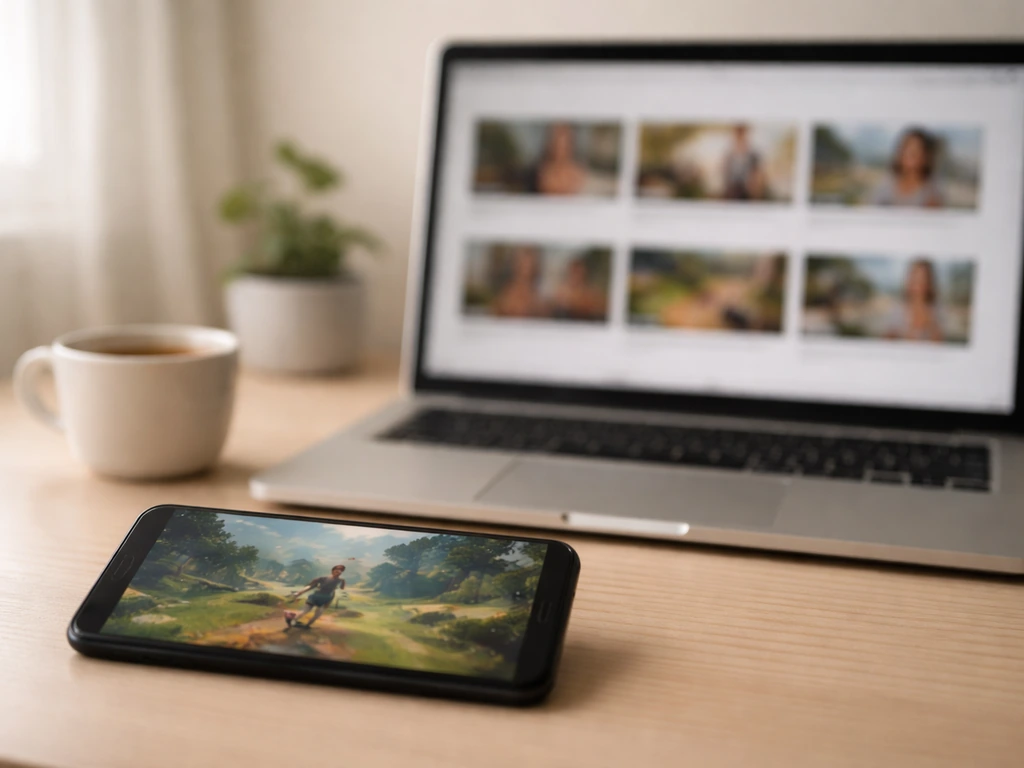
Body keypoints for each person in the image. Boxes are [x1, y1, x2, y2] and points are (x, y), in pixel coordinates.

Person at [870, 128, 945, 208]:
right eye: (907, 149)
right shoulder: (887, 185)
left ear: (926, 156)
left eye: (916, 151)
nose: (911, 155)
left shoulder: (932, 191)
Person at [885, 258, 945, 342]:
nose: (918, 283)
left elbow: (940, 344)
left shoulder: (937, 309)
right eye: (915, 277)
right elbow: (887, 341)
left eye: (923, 278)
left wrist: (931, 324)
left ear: (929, 282)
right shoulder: (898, 308)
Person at [492, 245, 549, 318]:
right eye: (523, 263)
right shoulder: (506, 296)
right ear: (516, 265)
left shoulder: (539, 299)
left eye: (530, 264)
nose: (526, 268)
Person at [286, 564, 346, 629]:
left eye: (340, 570)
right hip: (316, 596)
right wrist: (299, 592)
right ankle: (293, 621)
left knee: (317, 615)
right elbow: (311, 585)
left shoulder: (340, 580)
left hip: (326, 598)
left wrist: (343, 582)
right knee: (305, 611)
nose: (338, 572)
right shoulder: (323, 578)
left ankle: (307, 626)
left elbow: (340, 588)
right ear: (333, 571)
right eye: (337, 570)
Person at [534, 123, 586, 195]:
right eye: (557, 141)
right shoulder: (542, 173)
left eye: (565, 142)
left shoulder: (579, 172)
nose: (560, 147)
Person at [721, 124, 767, 200]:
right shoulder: (729, 156)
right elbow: (725, 176)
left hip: (748, 195)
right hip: (731, 194)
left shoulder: (754, 156)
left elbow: (759, 176)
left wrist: (755, 187)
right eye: (737, 135)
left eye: (742, 134)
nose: (739, 138)